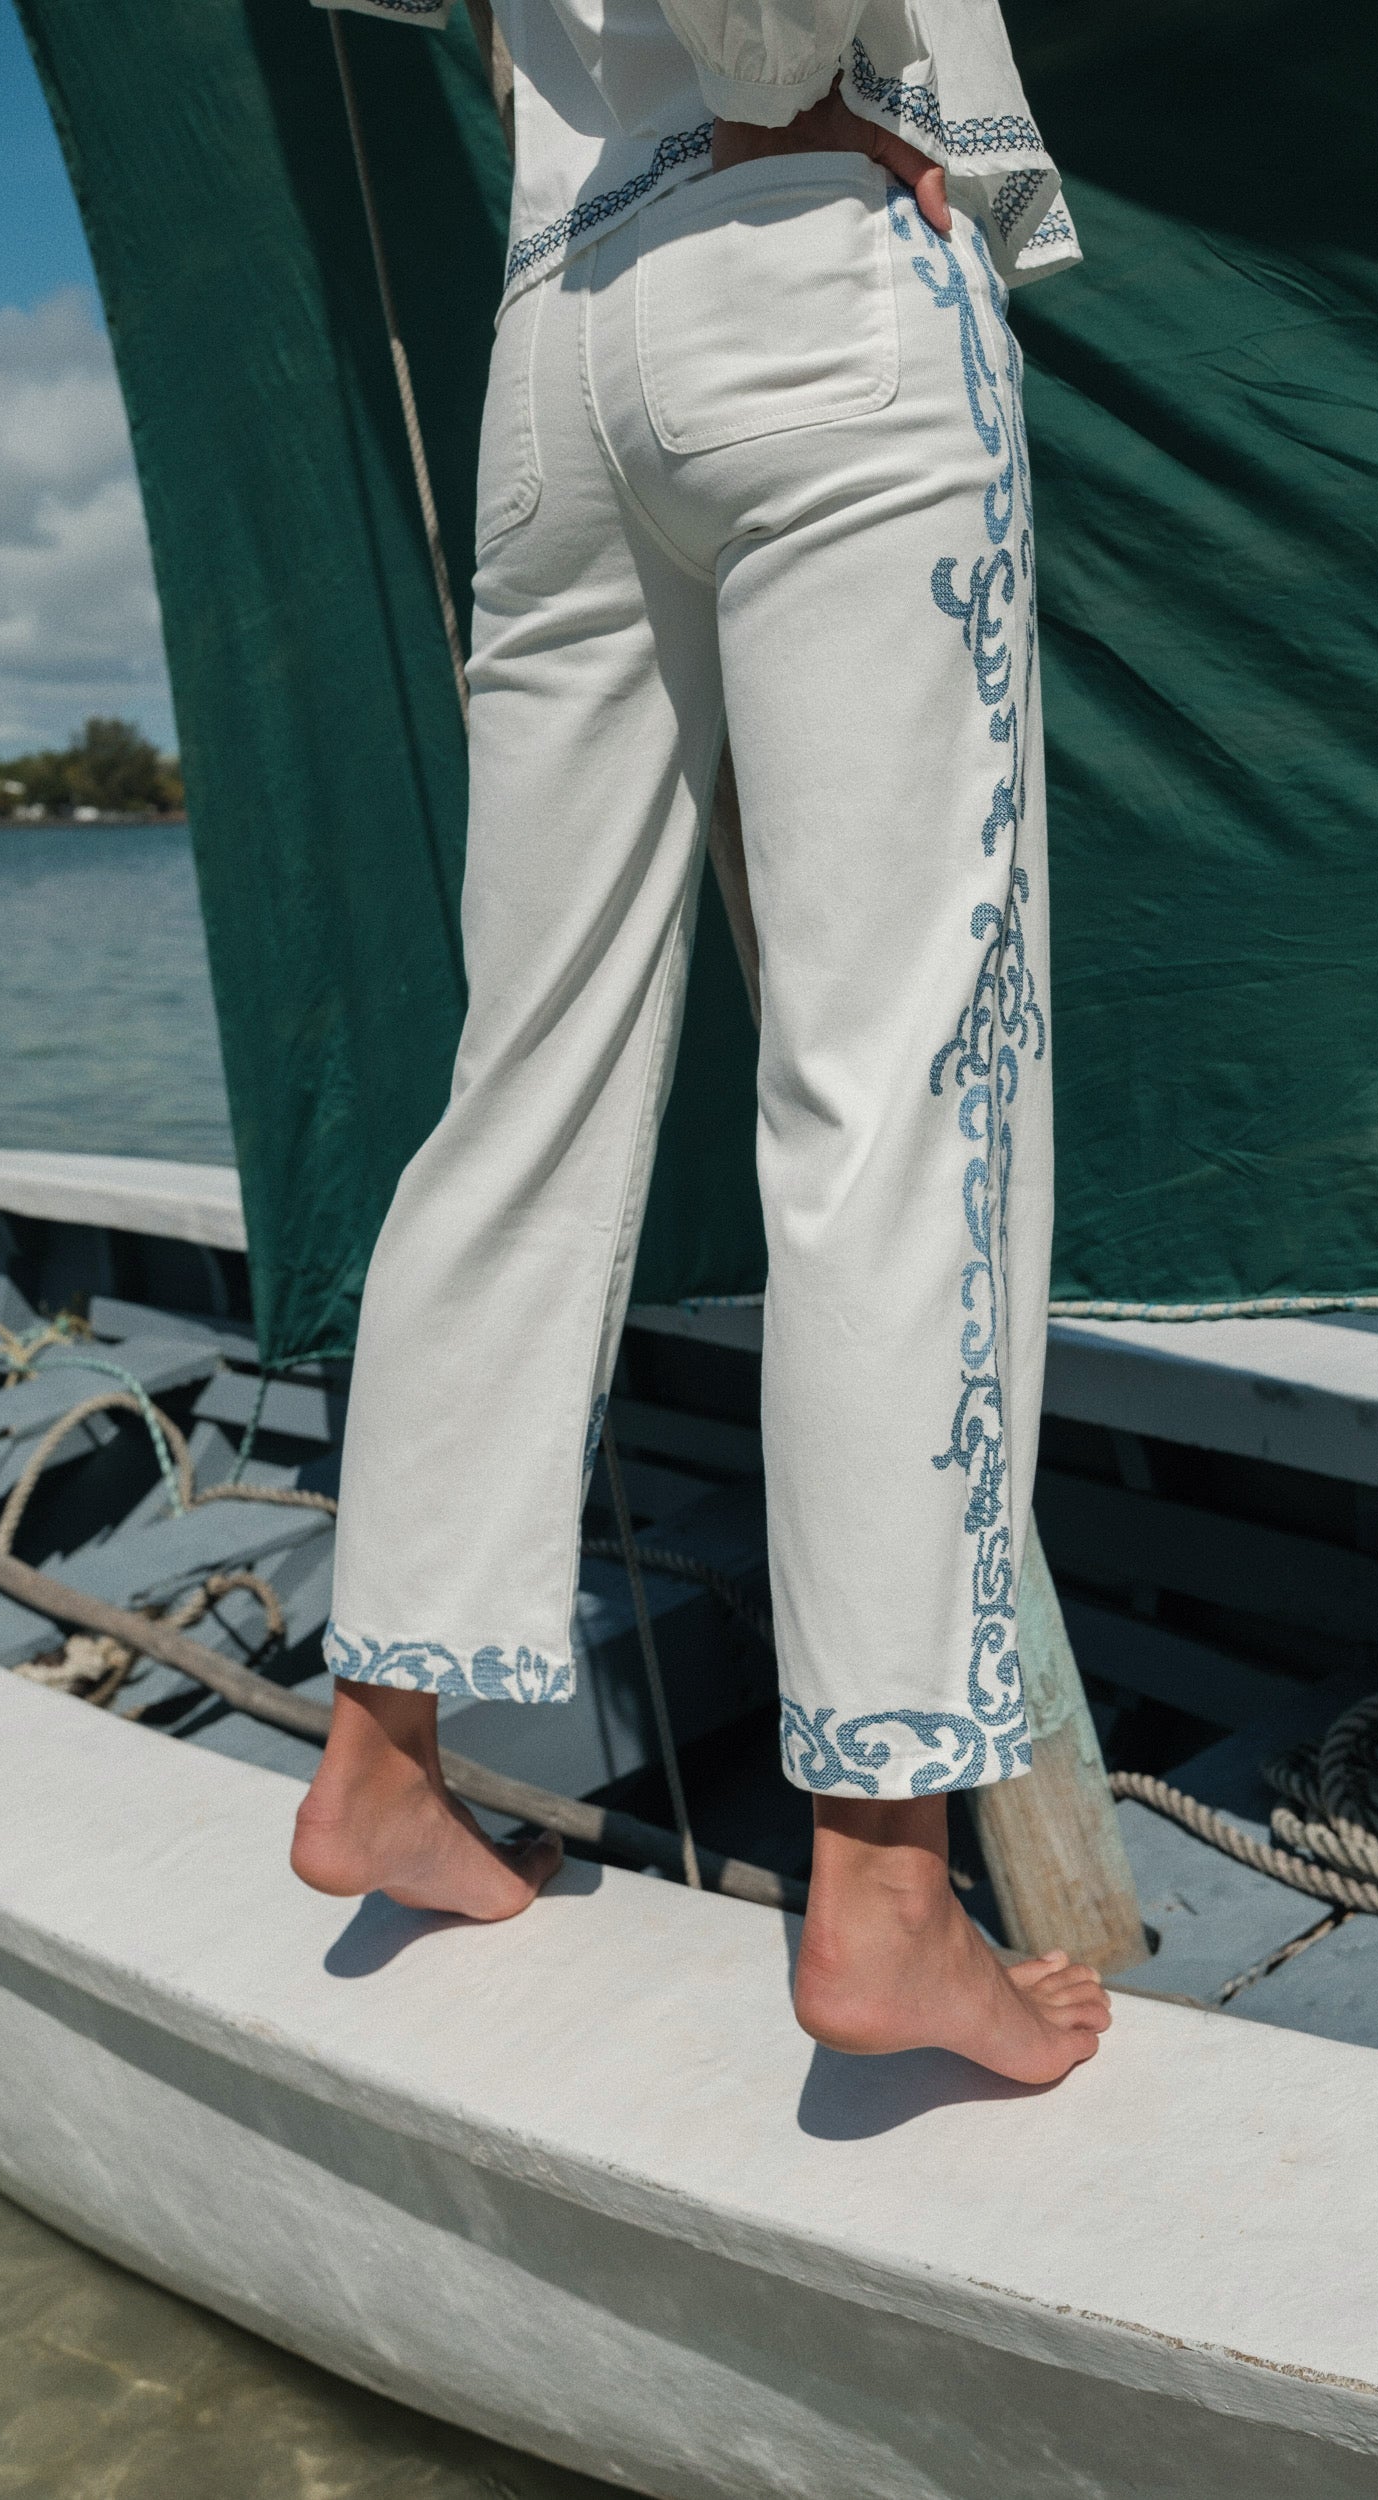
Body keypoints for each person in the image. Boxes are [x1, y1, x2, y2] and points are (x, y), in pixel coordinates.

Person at [292, 0, 1111, 2085]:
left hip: (557, 337)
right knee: (891, 1087)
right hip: (810, 247)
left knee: (526, 1076)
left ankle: (381, 1752)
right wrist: (782, 70)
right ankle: (888, 1898)